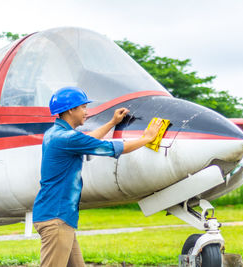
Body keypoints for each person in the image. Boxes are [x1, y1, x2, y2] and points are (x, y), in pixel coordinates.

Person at [32, 86, 162, 267]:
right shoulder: (68, 138)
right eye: (83, 107)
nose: (86, 112)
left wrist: (112, 123)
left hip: (58, 216)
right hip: (56, 219)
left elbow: (88, 139)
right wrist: (147, 138)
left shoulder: (54, 134)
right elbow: (113, 148)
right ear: (71, 109)